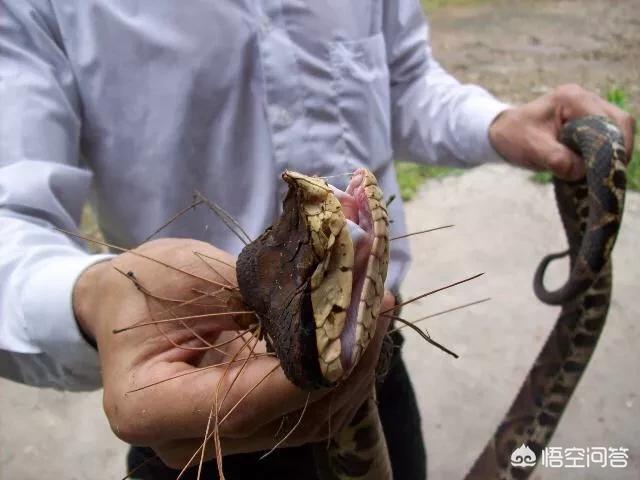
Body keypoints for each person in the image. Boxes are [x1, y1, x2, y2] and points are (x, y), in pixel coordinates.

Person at [0, 1, 634, 479]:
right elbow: (11, 215)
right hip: (198, 414)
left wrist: (496, 124)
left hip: (378, 372)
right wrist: (91, 302)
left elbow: (404, 81)